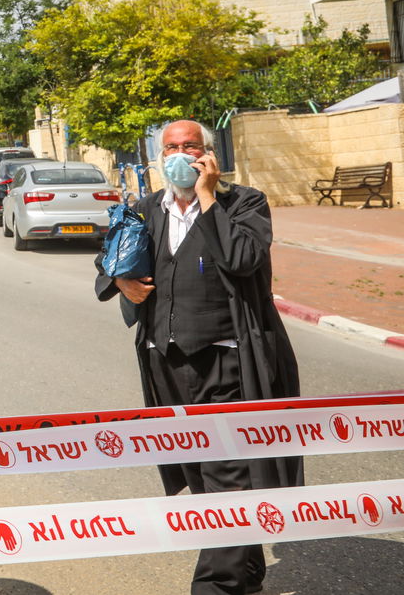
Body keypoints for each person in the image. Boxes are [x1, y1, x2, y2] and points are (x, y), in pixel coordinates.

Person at [95, 119, 302, 595]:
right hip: (164, 361)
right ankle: (245, 571)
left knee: (227, 474)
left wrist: (208, 198)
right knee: (199, 473)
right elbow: (109, 259)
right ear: (158, 156)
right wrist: (119, 281)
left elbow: (243, 258)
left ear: (208, 154)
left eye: (190, 146)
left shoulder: (242, 203)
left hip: (227, 361)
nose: (180, 154)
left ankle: (216, 586)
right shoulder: (147, 209)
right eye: (171, 147)